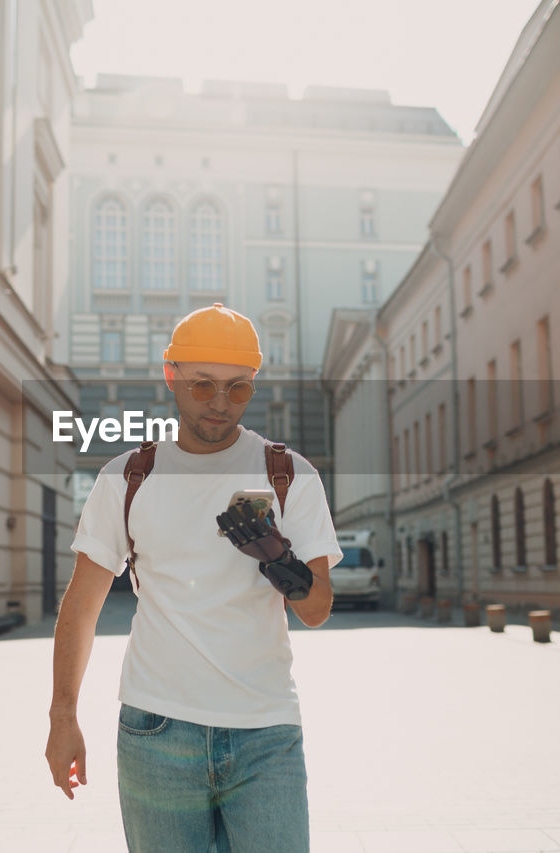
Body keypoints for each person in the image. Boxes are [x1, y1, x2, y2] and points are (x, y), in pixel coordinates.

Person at [45, 303, 342, 852]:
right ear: (170, 376)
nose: (220, 403)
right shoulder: (127, 479)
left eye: (239, 388)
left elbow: (317, 608)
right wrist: (63, 716)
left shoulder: (288, 474)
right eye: (203, 385)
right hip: (155, 732)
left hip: (265, 732)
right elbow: (81, 607)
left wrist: (277, 556)